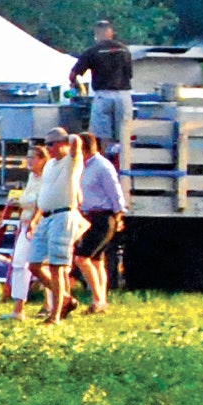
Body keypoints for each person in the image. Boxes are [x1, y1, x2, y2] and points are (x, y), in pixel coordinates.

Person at [17, 134, 84, 323]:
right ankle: (66, 299)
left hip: (62, 216)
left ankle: (55, 315)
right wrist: (35, 217)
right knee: (35, 264)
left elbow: (77, 142)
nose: (48, 148)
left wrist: (66, 137)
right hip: (45, 216)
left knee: (56, 266)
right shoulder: (49, 165)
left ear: (62, 143)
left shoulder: (71, 161)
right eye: (46, 144)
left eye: (52, 144)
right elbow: (45, 193)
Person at [71, 126, 128, 311]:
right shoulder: (81, 166)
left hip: (102, 216)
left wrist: (119, 214)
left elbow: (115, 191)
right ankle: (101, 299)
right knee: (96, 260)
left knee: (82, 258)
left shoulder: (102, 166)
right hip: (86, 216)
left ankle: (96, 299)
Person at [72, 20, 137, 161]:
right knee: (124, 133)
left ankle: (106, 161)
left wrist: (77, 88)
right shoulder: (124, 50)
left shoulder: (92, 51)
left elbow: (73, 75)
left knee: (102, 134)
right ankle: (124, 163)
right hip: (124, 95)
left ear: (96, 34)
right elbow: (130, 74)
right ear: (111, 32)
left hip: (103, 95)